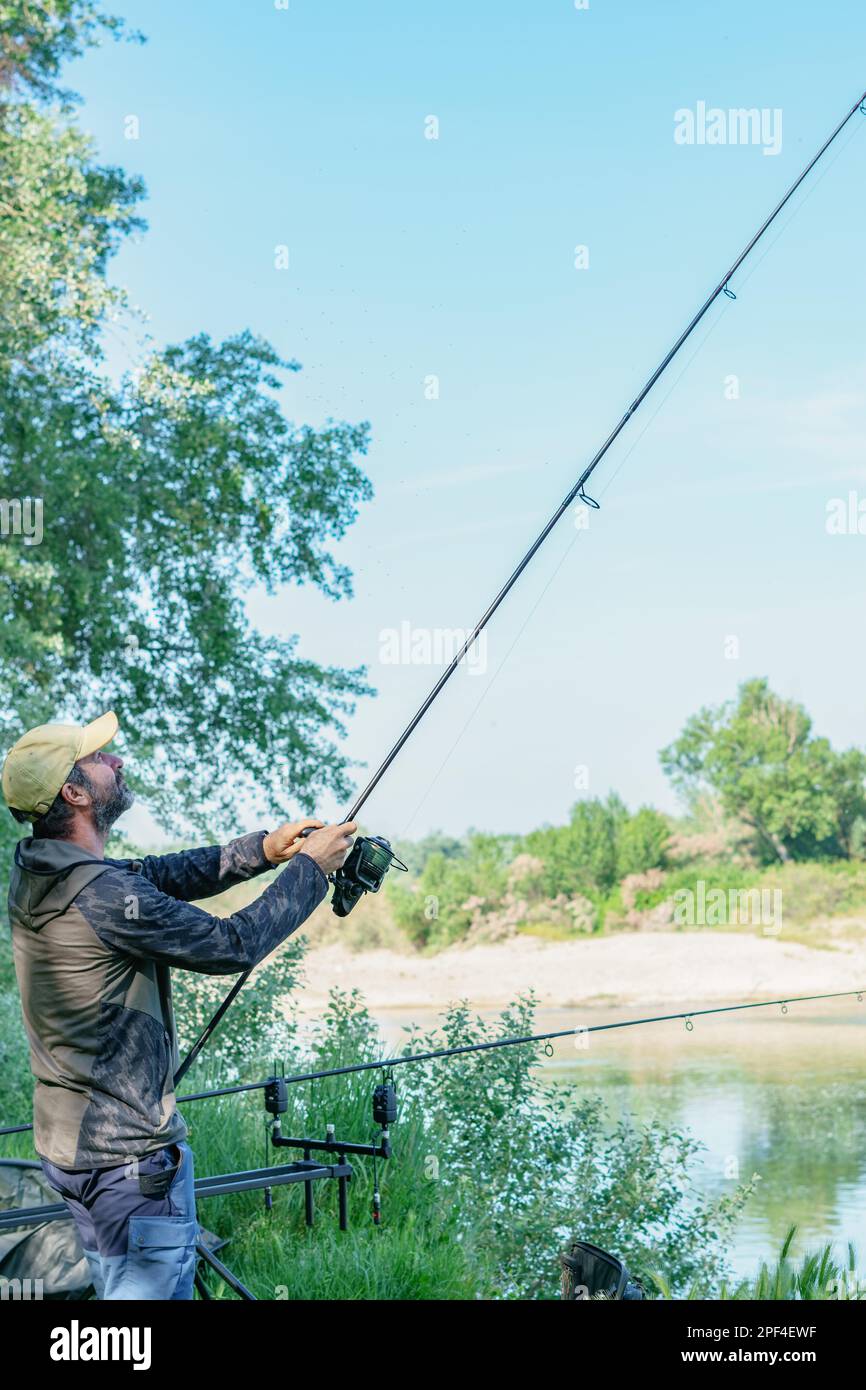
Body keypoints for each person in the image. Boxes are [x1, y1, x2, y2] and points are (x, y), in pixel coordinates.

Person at [1, 710, 355, 1300]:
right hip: (128, 1161)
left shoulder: (35, 870)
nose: (116, 761)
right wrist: (309, 871)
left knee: (117, 1290)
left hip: (71, 1152)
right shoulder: (104, 894)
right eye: (99, 759)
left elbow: (154, 875)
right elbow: (230, 945)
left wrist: (262, 851)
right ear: (75, 792)